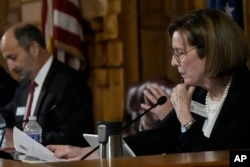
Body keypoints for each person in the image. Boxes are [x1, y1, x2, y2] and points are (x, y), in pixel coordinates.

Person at [47, 8, 250, 159]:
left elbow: (223, 159)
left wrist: (186, 119)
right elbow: (159, 138)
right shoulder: (198, 92)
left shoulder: (244, 95)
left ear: (211, 52)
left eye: (179, 53)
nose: (173, 62)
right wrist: (88, 152)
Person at [0, 23, 94, 147]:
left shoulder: (70, 84)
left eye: (13, 57)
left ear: (34, 49)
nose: (10, 67)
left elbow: (73, 137)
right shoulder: (24, 86)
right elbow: (7, 115)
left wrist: (22, 140)